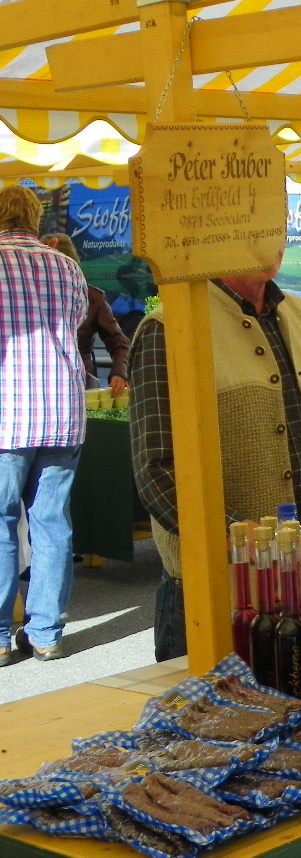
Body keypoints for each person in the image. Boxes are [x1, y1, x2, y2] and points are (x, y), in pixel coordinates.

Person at [129, 242, 301, 662]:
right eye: (256, 226)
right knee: (216, 706)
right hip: (214, 595)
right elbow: (158, 472)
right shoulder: (168, 329)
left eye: (279, 225)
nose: (271, 241)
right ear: (222, 233)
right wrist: (248, 540)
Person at [0, 186, 87, 665]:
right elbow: (77, 321)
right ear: (35, 218)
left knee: (1, 523)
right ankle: (46, 633)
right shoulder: (66, 266)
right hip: (61, 410)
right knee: (52, 524)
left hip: (6, 414)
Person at [41, 234, 130, 395]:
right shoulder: (31, 295)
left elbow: (119, 343)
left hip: (82, 384)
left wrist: (119, 373)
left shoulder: (94, 298)